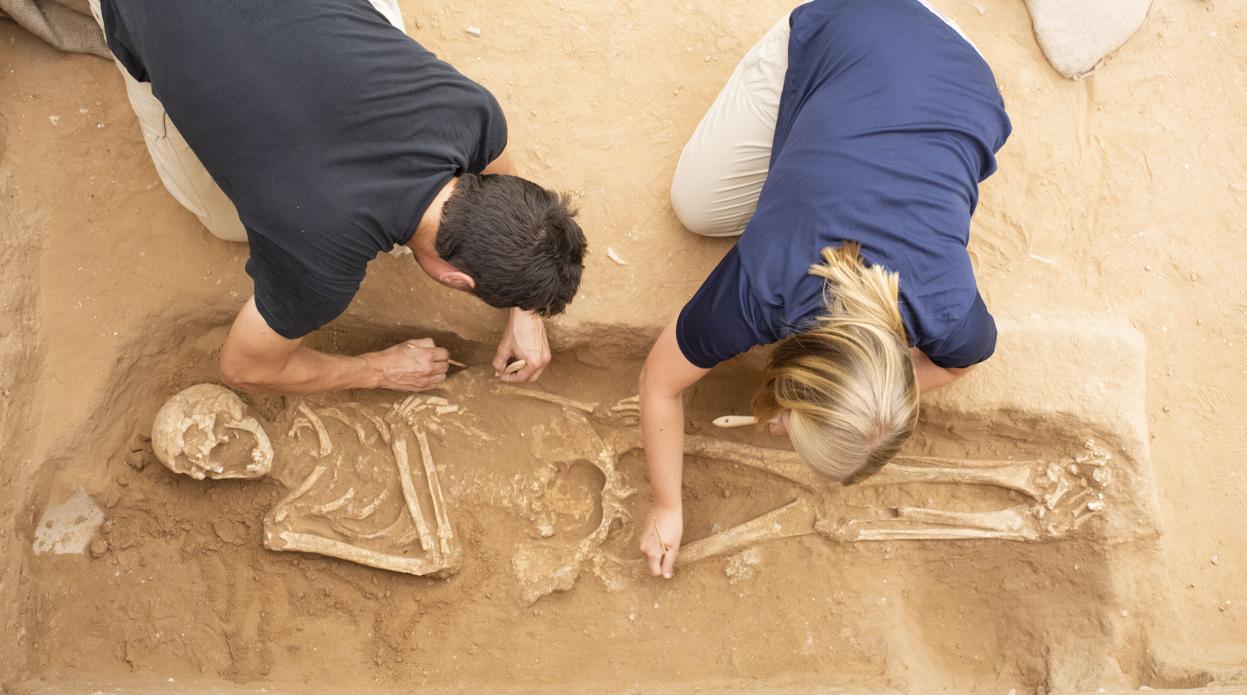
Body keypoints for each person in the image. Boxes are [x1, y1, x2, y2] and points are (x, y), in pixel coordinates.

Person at [639, 0, 1012, 578]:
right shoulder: (766, 283)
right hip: (850, 25)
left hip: (961, 69)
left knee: (776, 181)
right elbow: (659, 384)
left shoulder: (948, 308)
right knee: (699, 208)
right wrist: (666, 505)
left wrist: (846, 400)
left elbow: (962, 362)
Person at [89, 0, 586, 394]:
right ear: (454, 279)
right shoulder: (318, 261)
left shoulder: (470, 112)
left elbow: (513, 188)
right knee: (228, 224)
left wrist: (526, 307)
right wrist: (378, 369)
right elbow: (244, 367)